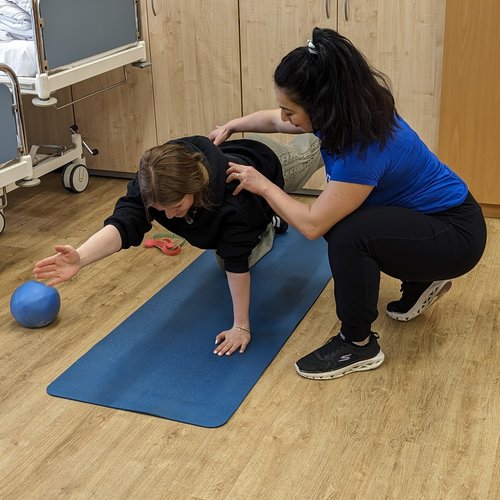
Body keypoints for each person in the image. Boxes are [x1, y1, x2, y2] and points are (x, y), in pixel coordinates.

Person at [210, 27, 487, 380]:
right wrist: (232, 125)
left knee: (345, 234)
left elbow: (311, 225)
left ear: (321, 105)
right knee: (345, 221)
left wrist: (261, 184)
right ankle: (421, 279)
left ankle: (357, 344)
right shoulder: (350, 112)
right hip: (438, 221)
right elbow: (274, 121)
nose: (285, 118)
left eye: (290, 110)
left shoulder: (362, 148)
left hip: (455, 236)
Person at [33, 134, 324, 356]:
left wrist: (241, 326)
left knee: (318, 145)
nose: (169, 216)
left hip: (271, 163)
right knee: (231, 252)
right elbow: (125, 223)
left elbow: (237, 263)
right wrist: (80, 258)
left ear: (194, 189)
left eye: (177, 206)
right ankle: (267, 221)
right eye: (162, 209)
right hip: (244, 208)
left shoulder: (234, 201)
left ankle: (347, 126)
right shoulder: (152, 183)